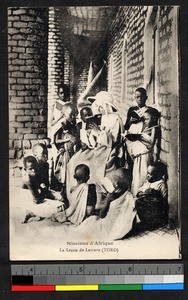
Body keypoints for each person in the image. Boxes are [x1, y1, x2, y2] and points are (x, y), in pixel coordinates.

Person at [66, 91, 125, 203]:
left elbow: (114, 141)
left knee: (86, 163)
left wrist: (98, 133)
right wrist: (91, 134)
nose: (98, 108)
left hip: (108, 150)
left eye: (99, 106)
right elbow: (96, 139)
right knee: (74, 161)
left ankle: (89, 197)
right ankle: (75, 197)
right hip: (98, 148)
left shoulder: (116, 119)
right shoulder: (103, 118)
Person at [69, 168, 136, 240]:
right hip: (120, 230)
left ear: (116, 184)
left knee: (92, 219)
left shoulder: (111, 196)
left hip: (107, 229)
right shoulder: (129, 196)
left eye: (111, 181)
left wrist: (107, 200)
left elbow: (102, 215)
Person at [125, 107, 161, 196]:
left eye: (147, 119)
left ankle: (141, 197)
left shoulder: (155, 128)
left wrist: (139, 138)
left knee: (142, 177)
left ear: (154, 118)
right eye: (144, 119)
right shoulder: (146, 128)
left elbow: (150, 145)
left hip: (146, 156)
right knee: (137, 177)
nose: (145, 121)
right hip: (139, 156)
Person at [135, 161, 168, 230]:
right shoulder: (147, 182)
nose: (147, 176)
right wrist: (140, 193)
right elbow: (139, 191)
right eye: (147, 173)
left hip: (154, 207)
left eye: (150, 174)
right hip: (144, 204)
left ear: (158, 175)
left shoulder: (161, 184)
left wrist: (154, 194)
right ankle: (145, 222)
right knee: (137, 204)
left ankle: (152, 224)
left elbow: (164, 199)